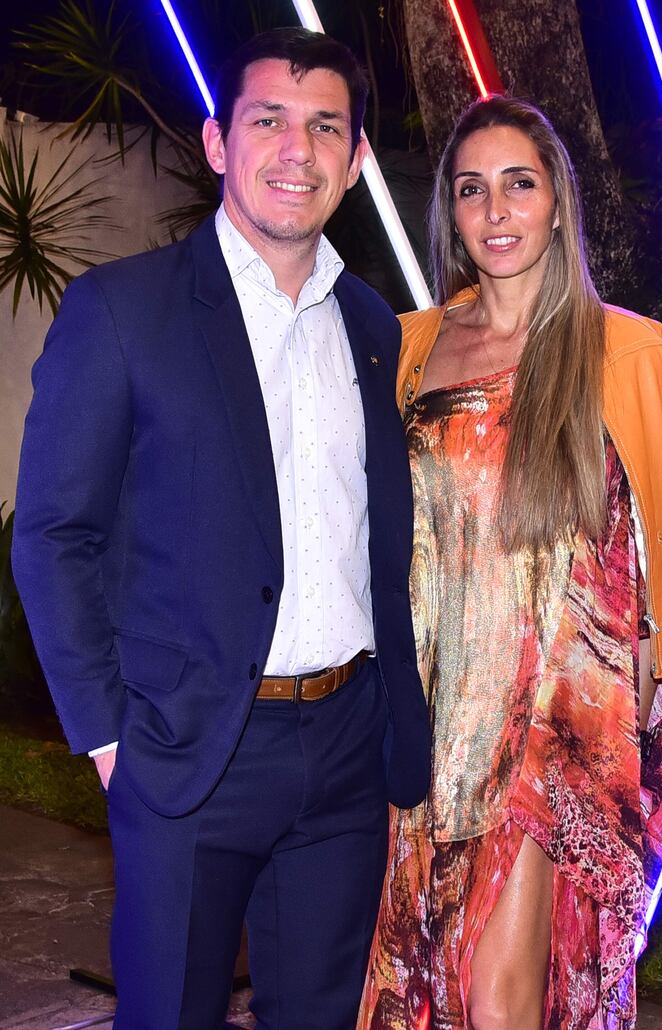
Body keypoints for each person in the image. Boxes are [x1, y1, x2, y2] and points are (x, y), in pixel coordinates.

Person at [12, 27, 430, 1030]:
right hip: (188, 749)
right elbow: (55, 533)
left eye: (324, 127)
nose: (297, 149)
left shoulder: (372, 326)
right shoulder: (122, 311)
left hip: (346, 749)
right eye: (268, 119)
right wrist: (108, 736)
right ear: (216, 141)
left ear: (355, 160)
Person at [358, 96, 662, 1030]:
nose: (495, 211)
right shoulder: (406, 347)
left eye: (519, 185)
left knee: (498, 994)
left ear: (558, 203)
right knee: (423, 973)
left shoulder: (628, 350)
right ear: (450, 212)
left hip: (558, 718)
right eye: (472, 189)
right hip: (426, 707)